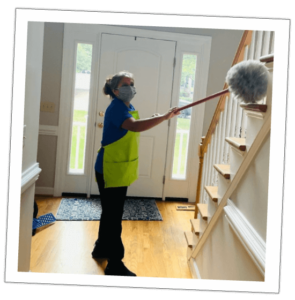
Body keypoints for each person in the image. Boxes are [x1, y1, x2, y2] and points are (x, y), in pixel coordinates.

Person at [92, 71, 180, 276]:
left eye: (132, 84)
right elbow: (134, 126)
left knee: (110, 212)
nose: (130, 87)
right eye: (125, 84)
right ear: (115, 90)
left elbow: (133, 125)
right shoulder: (116, 107)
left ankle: (101, 249)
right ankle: (115, 263)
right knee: (114, 216)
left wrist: (163, 116)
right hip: (110, 169)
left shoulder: (126, 106)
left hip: (117, 167)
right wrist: (164, 117)